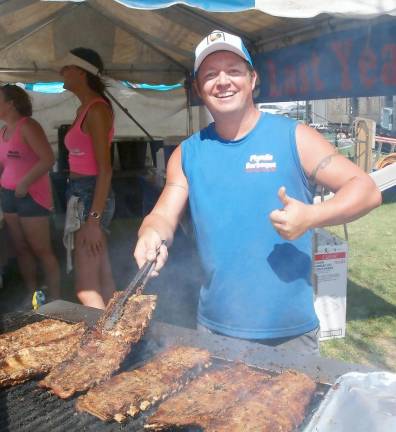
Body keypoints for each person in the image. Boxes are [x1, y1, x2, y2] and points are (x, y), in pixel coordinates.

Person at [133, 30, 382, 355]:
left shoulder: (295, 137)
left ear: (253, 79)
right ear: (198, 88)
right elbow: (163, 214)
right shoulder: (187, 153)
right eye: (210, 74)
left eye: (233, 71)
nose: (222, 81)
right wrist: (150, 234)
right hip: (214, 330)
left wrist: (311, 216)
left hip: (289, 335)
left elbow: (366, 189)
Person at [57, 48, 115, 309]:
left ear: (81, 71)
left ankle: (103, 346)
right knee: (101, 277)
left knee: (86, 288)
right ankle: (119, 336)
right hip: (83, 193)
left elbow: (105, 169)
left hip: (90, 196)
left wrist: (93, 220)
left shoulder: (96, 110)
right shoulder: (85, 108)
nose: (61, 72)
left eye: (65, 67)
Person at [0, 84, 60, 303]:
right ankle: (33, 296)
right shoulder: (3, 131)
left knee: (41, 249)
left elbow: (48, 159)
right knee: (21, 248)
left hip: (32, 196)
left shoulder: (28, 126)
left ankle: (56, 300)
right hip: (9, 196)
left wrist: (24, 182)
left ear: (10, 103)